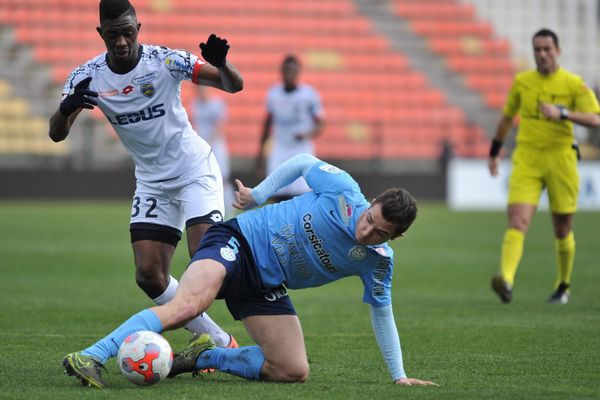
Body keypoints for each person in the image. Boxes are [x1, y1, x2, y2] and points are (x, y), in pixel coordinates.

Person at [62, 153, 438, 388]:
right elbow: (303, 163)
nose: (365, 231)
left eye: (379, 233)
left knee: (292, 369)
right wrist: (258, 194)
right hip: (239, 242)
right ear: (370, 203)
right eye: (369, 219)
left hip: (265, 283)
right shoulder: (343, 191)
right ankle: (91, 356)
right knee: (188, 306)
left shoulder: (378, 263)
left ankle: (205, 355)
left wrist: (398, 375)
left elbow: (382, 313)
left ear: (396, 238)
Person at [49, 0, 243, 348]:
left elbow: (233, 85)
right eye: (112, 35)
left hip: (194, 170)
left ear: (138, 29)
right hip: (153, 181)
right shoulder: (85, 76)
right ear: (101, 34)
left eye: (127, 32)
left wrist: (222, 64)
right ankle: (218, 341)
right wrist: (65, 110)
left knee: (206, 267)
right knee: (149, 275)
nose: (121, 41)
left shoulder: (166, 61)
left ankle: (255, 279)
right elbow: (56, 134)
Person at [488, 28, 600, 304]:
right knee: (518, 220)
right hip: (527, 158)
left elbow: (595, 118)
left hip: (561, 158)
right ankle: (507, 280)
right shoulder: (523, 81)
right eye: (537, 49)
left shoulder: (573, 83)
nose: (542, 54)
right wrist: (494, 151)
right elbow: (506, 117)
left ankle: (563, 285)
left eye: (547, 49)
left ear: (558, 51)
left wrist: (562, 113)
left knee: (562, 227)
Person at [255, 54, 325, 202]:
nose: (288, 75)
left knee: (302, 194)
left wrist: (307, 134)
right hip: (279, 148)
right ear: (281, 71)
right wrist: (261, 156)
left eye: (292, 71)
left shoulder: (309, 95)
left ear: (298, 72)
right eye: (286, 71)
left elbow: (320, 123)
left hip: (301, 149)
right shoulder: (273, 94)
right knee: (277, 193)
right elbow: (267, 125)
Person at [191, 86, 235, 218]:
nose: (200, 91)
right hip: (202, 147)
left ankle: (230, 211)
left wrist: (210, 140)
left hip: (216, 146)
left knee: (223, 179)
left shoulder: (217, 103)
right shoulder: (195, 104)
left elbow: (220, 125)